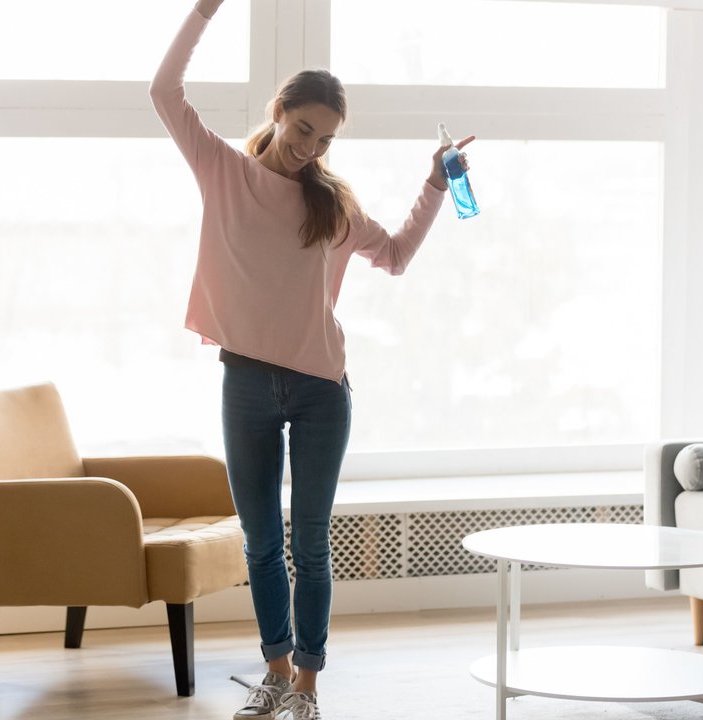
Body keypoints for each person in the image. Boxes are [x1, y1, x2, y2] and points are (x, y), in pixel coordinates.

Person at [150, 2, 473, 718]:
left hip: (322, 389)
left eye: (325, 139)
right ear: (279, 111)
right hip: (244, 382)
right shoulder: (223, 171)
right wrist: (203, 11)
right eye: (303, 129)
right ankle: (274, 673)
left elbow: (395, 256)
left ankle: (306, 688)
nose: (310, 147)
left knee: (311, 545)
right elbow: (163, 91)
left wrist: (435, 185)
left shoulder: (331, 206)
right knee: (262, 543)